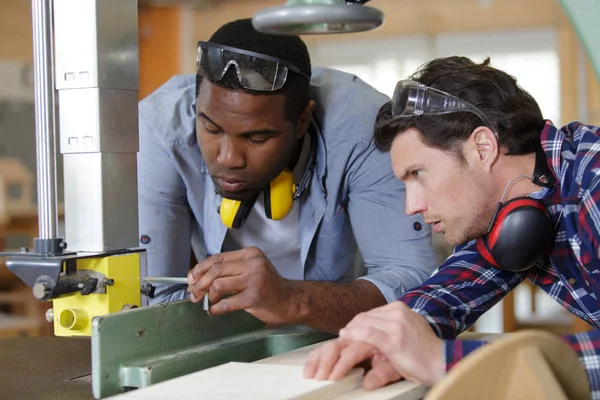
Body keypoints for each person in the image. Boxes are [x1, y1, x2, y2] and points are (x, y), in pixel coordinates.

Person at [303, 55, 600, 397]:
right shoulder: (514, 202)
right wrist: (388, 335)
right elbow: (450, 292)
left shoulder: (593, 178)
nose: (411, 207)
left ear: (482, 147)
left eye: (418, 174)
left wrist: (443, 361)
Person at [136, 18, 437, 333]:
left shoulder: (362, 128)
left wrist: (292, 300)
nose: (228, 158)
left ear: (303, 120)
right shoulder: (160, 129)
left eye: (256, 138)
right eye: (211, 128)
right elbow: (155, 301)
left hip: (341, 336)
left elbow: (413, 285)